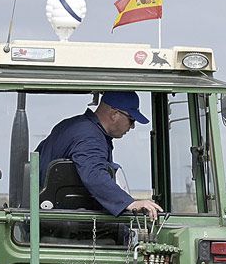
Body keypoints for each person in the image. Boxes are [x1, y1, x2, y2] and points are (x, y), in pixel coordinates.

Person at [35, 91, 164, 219]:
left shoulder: (70, 125)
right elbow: (93, 174)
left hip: (48, 217)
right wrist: (130, 203)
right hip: (61, 225)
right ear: (114, 114)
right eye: (131, 120)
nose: (133, 126)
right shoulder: (90, 137)